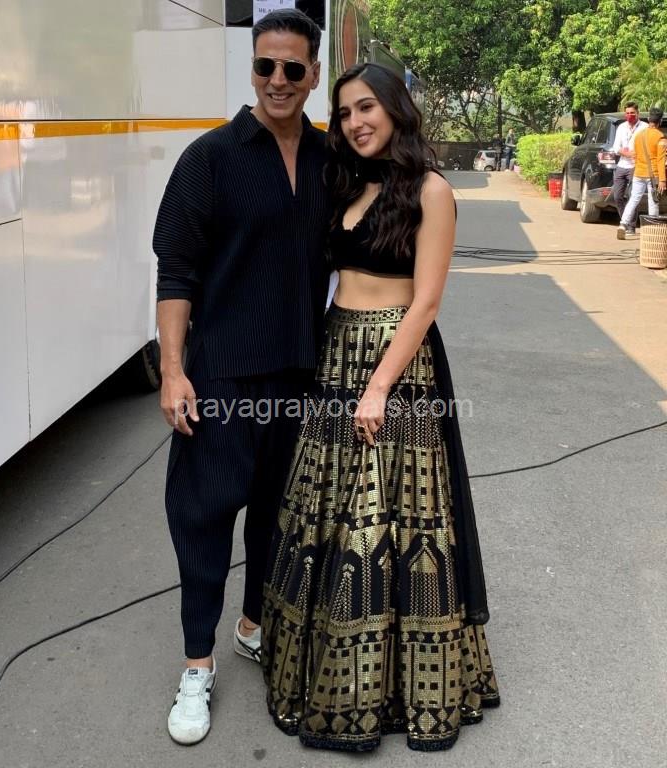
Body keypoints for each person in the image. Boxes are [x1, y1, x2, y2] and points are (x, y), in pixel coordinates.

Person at [261, 63, 499, 753]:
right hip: (335, 349)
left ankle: (396, 690)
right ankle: (325, 673)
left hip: (398, 363)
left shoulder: (432, 191)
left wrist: (378, 387)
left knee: (395, 518)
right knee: (325, 509)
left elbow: (426, 301)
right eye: (344, 113)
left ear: (395, 108)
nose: (355, 122)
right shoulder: (347, 183)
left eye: (366, 107)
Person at [152, 9, 330, 746]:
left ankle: (254, 626)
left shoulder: (329, 159)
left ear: (313, 74)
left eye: (292, 68)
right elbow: (176, 271)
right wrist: (172, 371)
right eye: (265, 66)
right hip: (221, 377)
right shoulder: (211, 158)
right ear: (251, 69)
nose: (277, 80)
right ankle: (197, 665)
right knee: (203, 519)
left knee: (276, 517)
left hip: (299, 376)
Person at [617, 106, 666, 240]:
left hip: (638, 172)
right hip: (653, 175)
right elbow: (661, 160)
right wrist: (662, 180)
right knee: (653, 201)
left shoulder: (639, 135)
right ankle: (652, 231)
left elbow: (635, 155)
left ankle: (623, 224)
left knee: (633, 200)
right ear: (660, 121)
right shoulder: (660, 137)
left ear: (649, 119)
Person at [612, 102, 646, 235]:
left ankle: (630, 226)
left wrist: (636, 154)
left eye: (632, 113)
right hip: (622, 165)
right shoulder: (621, 127)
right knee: (617, 196)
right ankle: (625, 221)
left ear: (638, 113)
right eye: (627, 113)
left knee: (633, 196)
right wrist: (627, 153)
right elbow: (616, 148)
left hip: (636, 166)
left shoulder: (644, 127)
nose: (630, 115)